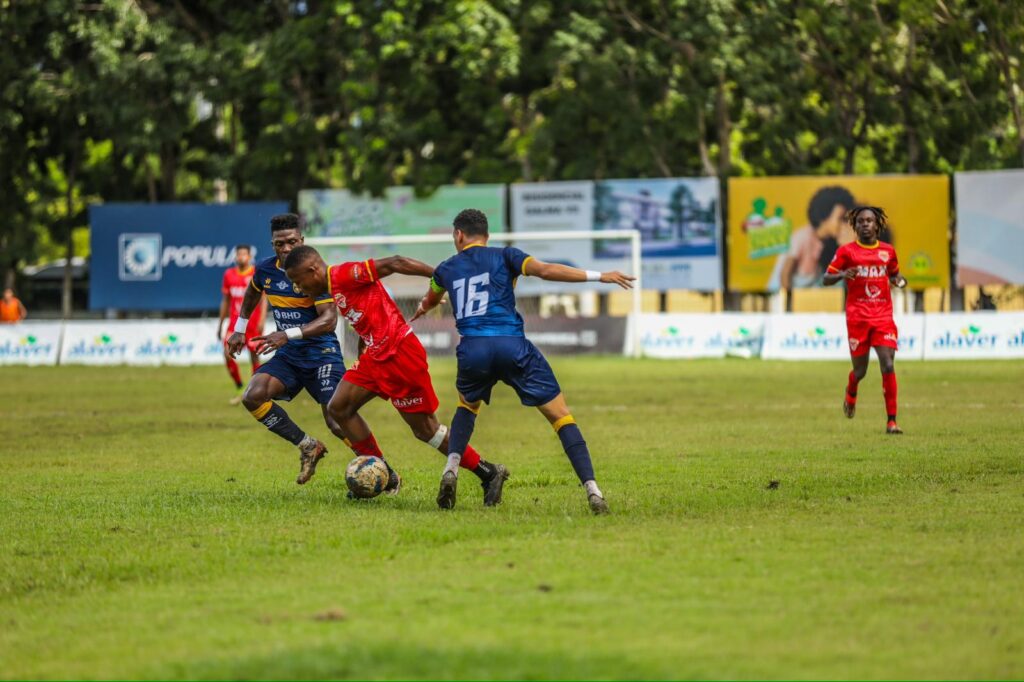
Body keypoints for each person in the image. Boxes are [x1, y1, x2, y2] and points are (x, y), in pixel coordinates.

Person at [412, 208, 635, 513]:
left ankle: (450, 469)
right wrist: (600, 276)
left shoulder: (445, 268)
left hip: (473, 350)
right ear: (486, 236)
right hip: (511, 345)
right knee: (561, 416)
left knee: (467, 406)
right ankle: (593, 491)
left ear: (459, 235)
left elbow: (432, 297)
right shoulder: (506, 256)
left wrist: (425, 308)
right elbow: (545, 270)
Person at [283, 245, 510, 505]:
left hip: (399, 355)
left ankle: (489, 472)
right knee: (339, 407)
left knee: (427, 431)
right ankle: (384, 474)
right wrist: (362, 349)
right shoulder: (334, 288)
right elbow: (365, 318)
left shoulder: (344, 274)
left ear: (312, 270)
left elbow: (395, 262)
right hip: (375, 357)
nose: (298, 288)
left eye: (298, 281)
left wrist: (442, 278)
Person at [225, 214, 387, 487]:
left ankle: (386, 472)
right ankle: (308, 446)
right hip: (289, 355)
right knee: (253, 396)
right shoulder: (266, 270)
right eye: (279, 244)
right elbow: (253, 291)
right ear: (272, 244)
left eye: (291, 242)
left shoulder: (314, 271)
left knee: (337, 421)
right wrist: (240, 328)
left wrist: (286, 335)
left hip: (321, 352)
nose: (285, 248)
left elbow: (329, 320)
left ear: (301, 240)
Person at [823, 206, 907, 435]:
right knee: (860, 371)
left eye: (869, 221)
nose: (865, 224)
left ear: (877, 224)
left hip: (882, 317)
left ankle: (892, 421)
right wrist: (841, 275)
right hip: (858, 319)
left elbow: (893, 274)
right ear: (855, 225)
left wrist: (899, 280)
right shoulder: (847, 252)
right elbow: (825, 278)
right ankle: (852, 389)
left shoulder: (888, 251)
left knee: (888, 364)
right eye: (861, 221)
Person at [779, 186, 856, 290]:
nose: (843, 224)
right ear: (825, 217)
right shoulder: (802, 236)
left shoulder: (830, 242)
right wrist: (790, 300)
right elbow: (785, 273)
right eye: (840, 218)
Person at [217, 245, 267, 405]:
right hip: (234, 324)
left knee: (254, 356)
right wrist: (220, 323)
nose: (241, 257)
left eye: (244, 254)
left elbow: (264, 297)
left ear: (249, 256)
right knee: (227, 353)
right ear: (235, 257)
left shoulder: (255, 273)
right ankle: (239, 387)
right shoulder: (229, 275)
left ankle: (256, 391)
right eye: (239, 254)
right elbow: (226, 300)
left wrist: (262, 319)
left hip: (252, 323)